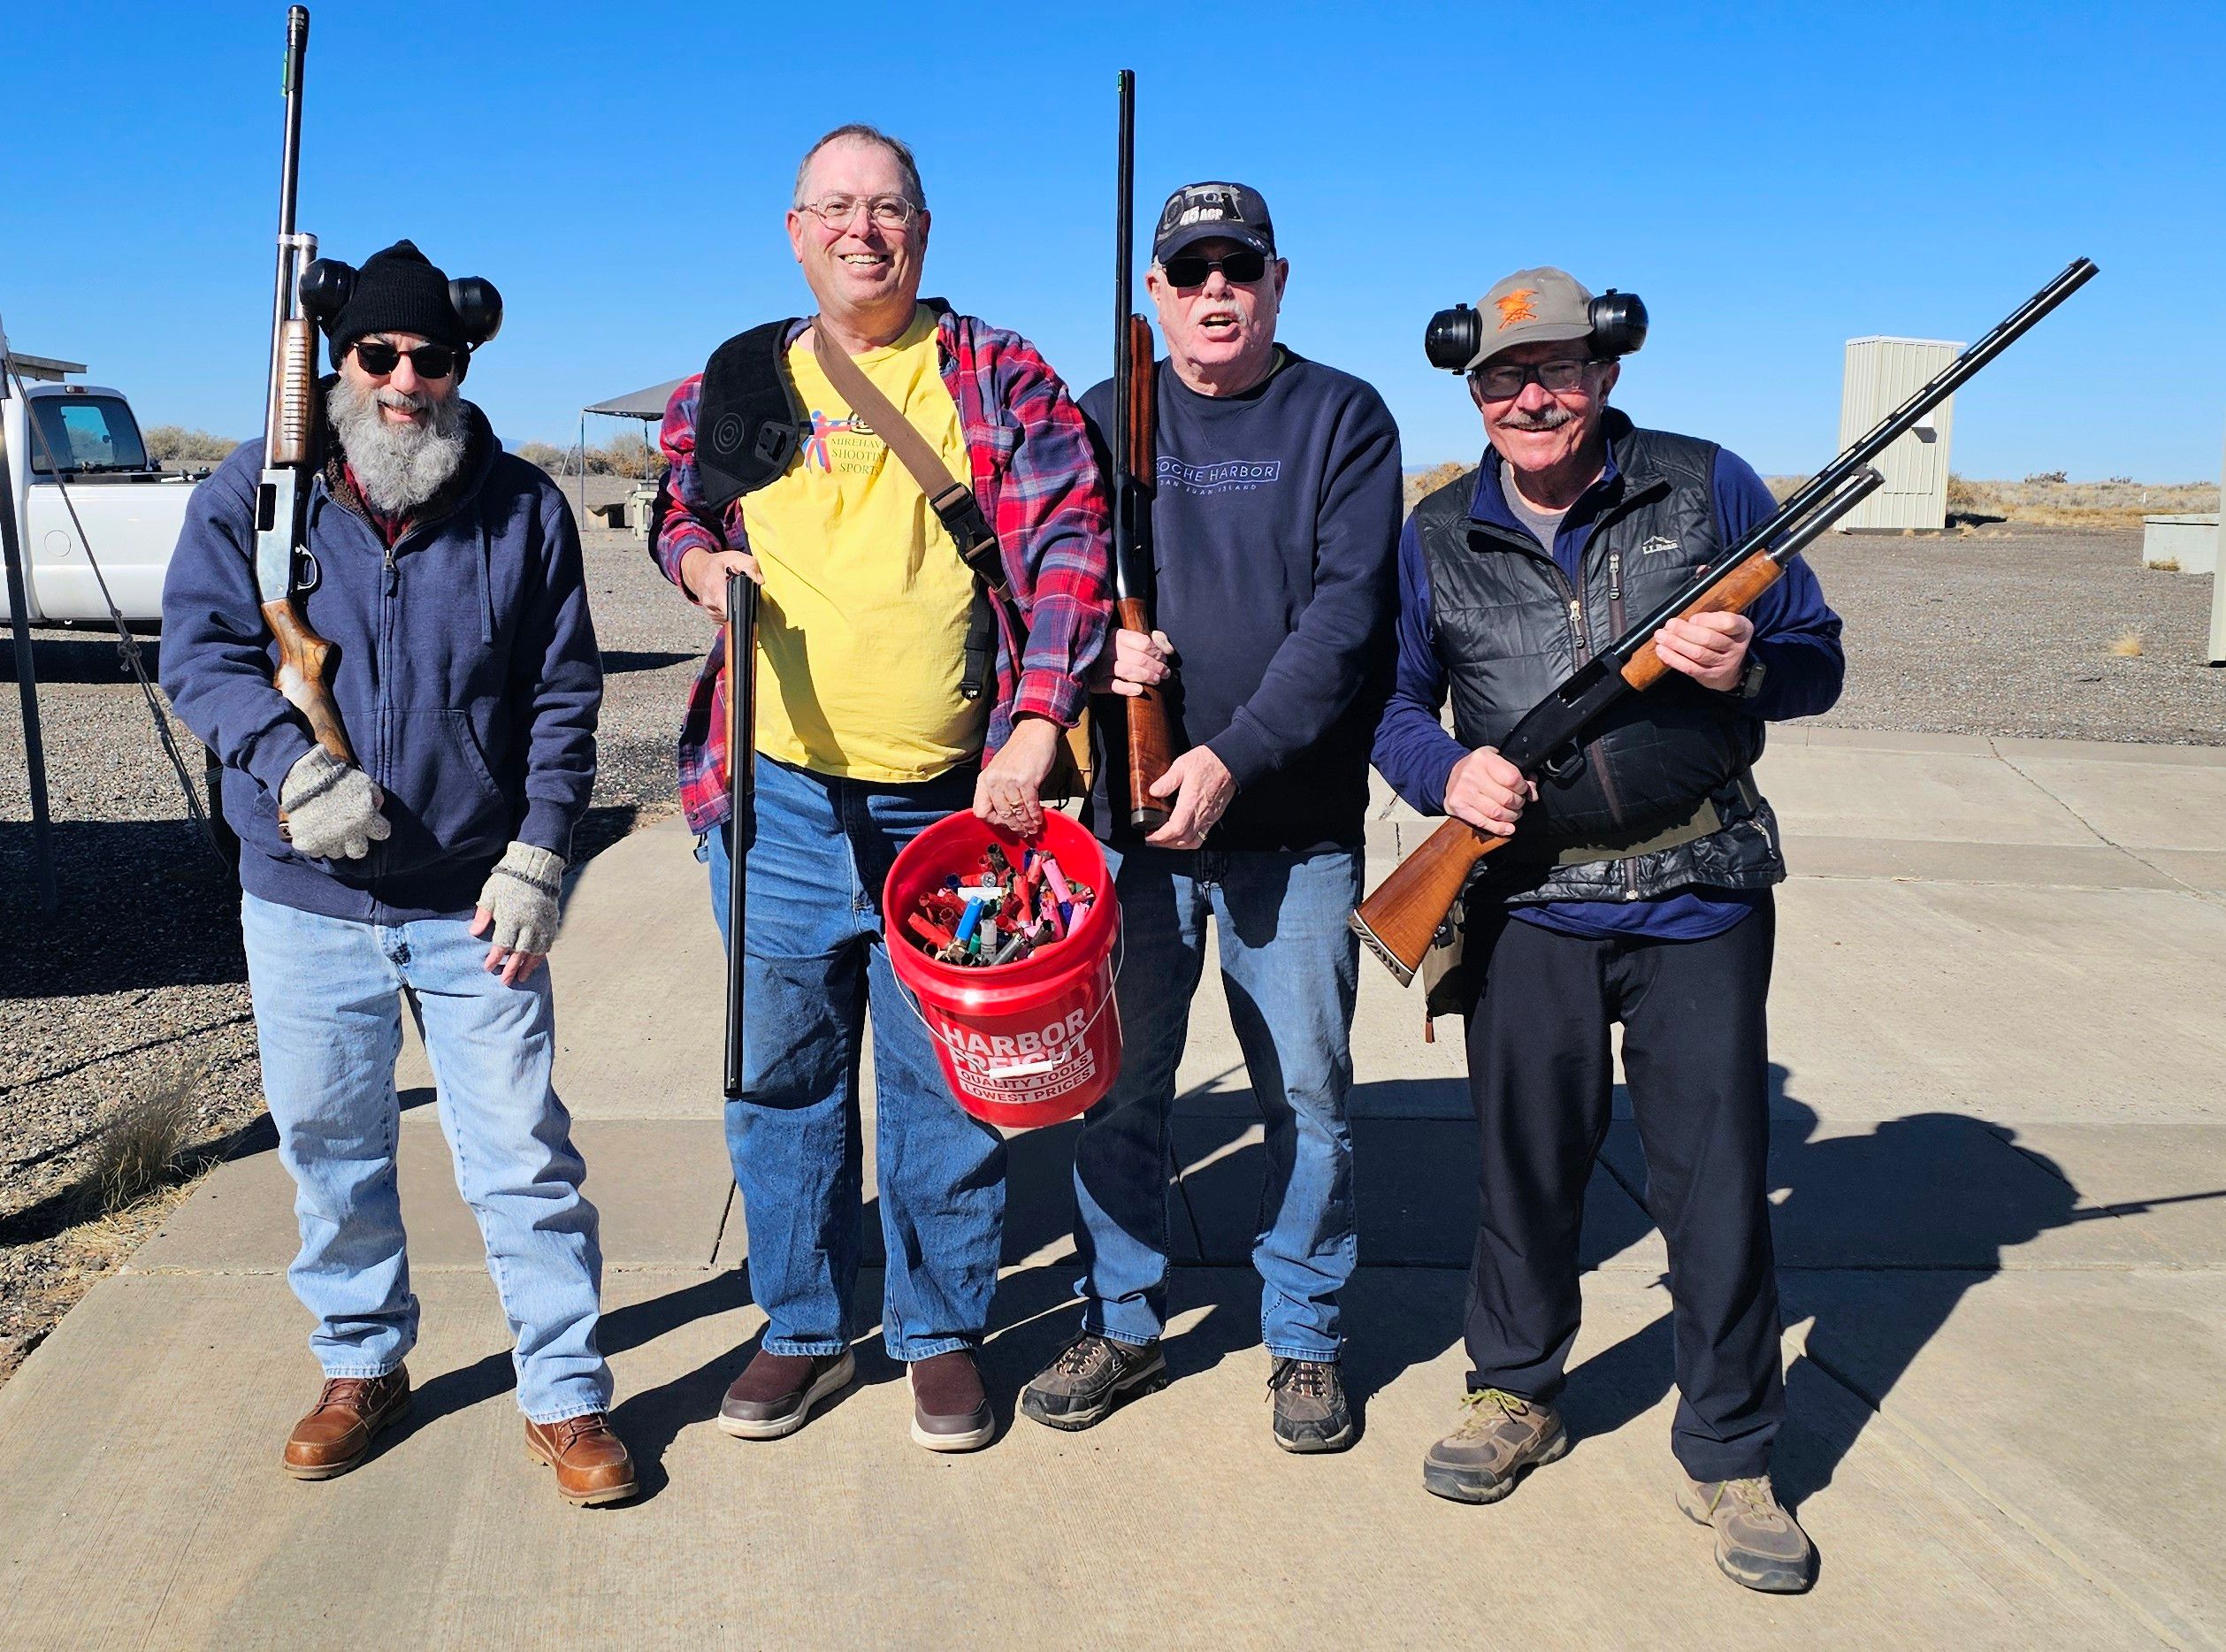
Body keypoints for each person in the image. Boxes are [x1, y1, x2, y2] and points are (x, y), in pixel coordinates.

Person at [1372, 266, 1845, 1592]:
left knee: (1715, 1185)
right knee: (1525, 1170)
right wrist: (1441, 778)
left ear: (1607, 374)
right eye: (1506, 379)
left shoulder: (1706, 488)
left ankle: (1733, 1455)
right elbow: (1394, 705)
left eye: (1561, 369)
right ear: (1472, 392)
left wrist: (1744, 664)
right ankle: (1512, 1392)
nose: (1534, 396)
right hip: (1527, 901)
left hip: (1697, 892)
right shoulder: (1435, 533)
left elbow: (1816, 655)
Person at [652, 126, 1114, 1453]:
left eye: (889, 208)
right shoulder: (740, 376)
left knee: (943, 1084)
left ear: (924, 227)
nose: (864, 229)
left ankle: (938, 1332)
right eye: (836, 208)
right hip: (776, 796)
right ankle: (799, 1324)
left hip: (955, 809)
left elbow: (1068, 550)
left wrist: (1035, 727)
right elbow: (679, 510)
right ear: (795, 230)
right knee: (779, 1077)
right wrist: (693, 567)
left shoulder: (997, 373)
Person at [161, 241, 632, 1505]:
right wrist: (287, 769)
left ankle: (565, 1392)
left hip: (476, 899)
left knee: (521, 1154)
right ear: (340, 359)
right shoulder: (254, 493)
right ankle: (364, 1362)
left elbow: (562, 697)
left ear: (463, 364)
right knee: (330, 1143)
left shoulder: (522, 505)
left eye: (432, 357)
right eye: (379, 354)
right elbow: (197, 656)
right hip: (303, 902)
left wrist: (543, 848)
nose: (405, 380)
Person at [1020, 182, 1403, 1450]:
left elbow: (1348, 617)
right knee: (1119, 1094)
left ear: (1277, 281)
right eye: (1189, 271)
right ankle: (1124, 1320)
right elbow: (1043, 589)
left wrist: (1231, 754)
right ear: (1156, 293)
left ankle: (1301, 1339)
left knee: (1306, 1093)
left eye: (1238, 267)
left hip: (1288, 832)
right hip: (1126, 842)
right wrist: (1090, 669)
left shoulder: (1340, 414)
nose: (1215, 291)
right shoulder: (1096, 418)